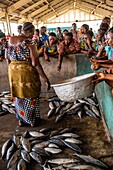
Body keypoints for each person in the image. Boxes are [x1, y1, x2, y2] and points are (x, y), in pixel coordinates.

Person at [5, 22, 50, 127]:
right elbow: (35, 63)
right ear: (29, 32)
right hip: (26, 71)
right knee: (31, 95)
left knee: (18, 96)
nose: (33, 35)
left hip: (12, 70)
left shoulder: (10, 40)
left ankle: (21, 120)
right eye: (33, 32)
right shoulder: (29, 43)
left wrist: (12, 69)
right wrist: (45, 78)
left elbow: (7, 57)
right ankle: (32, 121)